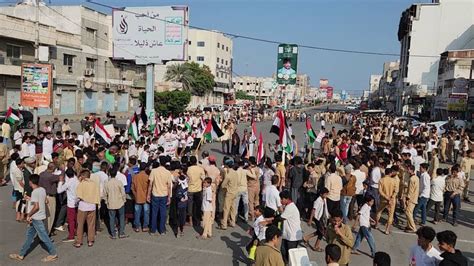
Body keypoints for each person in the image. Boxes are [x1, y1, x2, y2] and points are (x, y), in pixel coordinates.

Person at [9, 174, 58, 262]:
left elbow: (36, 206)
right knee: (29, 236)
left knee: (44, 237)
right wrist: (30, 199)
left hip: (36, 218)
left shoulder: (35, 192)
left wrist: (29, 215)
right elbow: (45, 201)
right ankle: (21, 255)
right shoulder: (42, 189)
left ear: (31, 182)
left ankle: (53, 254)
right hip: (40, 216)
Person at [75, 169, 100, 248]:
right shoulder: (94, 184)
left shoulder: (82, 184)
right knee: (91, 225)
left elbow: (78, 195)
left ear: (83, 176)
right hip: (92, 206)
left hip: (83, 206)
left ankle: (79, 241)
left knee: (80, 224)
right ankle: (90, 241)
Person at [147, 157, 172, 235]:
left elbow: (150, 184)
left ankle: (152, 230)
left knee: (154, 213)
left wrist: (148, 194)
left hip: (155, 194)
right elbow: (169, 186)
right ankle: (162, 230)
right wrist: (169, 197)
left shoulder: (154, 171)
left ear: (159, 162)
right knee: (163, 213)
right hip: (164, 195)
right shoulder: (168, 172)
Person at [279, 190, 302, 264]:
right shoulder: (288, 206)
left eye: (282, 199)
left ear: (287, 199)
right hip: (287, 235)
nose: (281, 201)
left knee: (291, 256)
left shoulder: (290, 207)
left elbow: (280, 218)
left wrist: (267, 221)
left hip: (292, 237)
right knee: (283, 252)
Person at [56, 168, 79, 242]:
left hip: (71, 203)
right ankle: (76, 231)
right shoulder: (76, 180)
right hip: (77, 202)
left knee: (71, 220)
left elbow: (59, 191)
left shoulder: (68, 183)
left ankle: (71, 235)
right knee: (76, 218)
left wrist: (60, 181)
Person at [304, 187, 329, 252]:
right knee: (322, 232)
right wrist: (310, 220)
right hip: (317, 218)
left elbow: (325, 208)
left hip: (322, 218)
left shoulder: (325, 199)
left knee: (319, 231)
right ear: (321, 194)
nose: (326, 195)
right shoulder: (317, 201)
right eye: (325, 194)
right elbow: (313, 210)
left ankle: (306, 238)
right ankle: (316, 246)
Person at [104, 168, 128, 239]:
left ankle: (113, 234)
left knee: (112, 218)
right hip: (120, 202)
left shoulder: (107, 183)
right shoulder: (119, 182)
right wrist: (124, 200)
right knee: (121, 217)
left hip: (111, 203)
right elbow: (123, 193)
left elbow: (104, 194)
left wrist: (106, 201)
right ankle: (121, 233)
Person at [375, 168, 398, 235]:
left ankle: (376, 224)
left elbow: (380, 191)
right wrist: (391, 197)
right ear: (390, 173)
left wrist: (386, 197)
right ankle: (387, 230)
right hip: (392, 200)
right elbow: (396, 191)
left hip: (383, 199)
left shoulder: (381, 180)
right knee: (390, 215)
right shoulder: (394, 181)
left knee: (379, 212)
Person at [218, 158, 239, 230]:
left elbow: (223, 185)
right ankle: (233, 222)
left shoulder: (228, 175)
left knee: (226, 208)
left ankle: (224, 224)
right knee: (233, 208)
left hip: (229, 193)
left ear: (227, 166)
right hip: (235, 192)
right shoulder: (236, 173)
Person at [131, 163, 150, 232]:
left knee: (137, 212)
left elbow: (132, 188)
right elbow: (149, 188)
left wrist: (135, 195)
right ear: (145, 169)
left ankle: (137, 227)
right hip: (145, 197)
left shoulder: (135, 177)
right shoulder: (147, 177)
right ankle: (145, 226)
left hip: (137, 197)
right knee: (146, 212)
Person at [404, 164, 419, 233]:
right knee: (409, 212)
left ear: (411, 170)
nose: (407, 170)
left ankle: (413, 228)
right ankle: (409, 225)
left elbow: (410, 190)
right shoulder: (416, 177)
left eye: (408, 169)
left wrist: (407, 198)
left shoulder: (412, 179)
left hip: (411, 198)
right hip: (415, 197)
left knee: (408, 212)